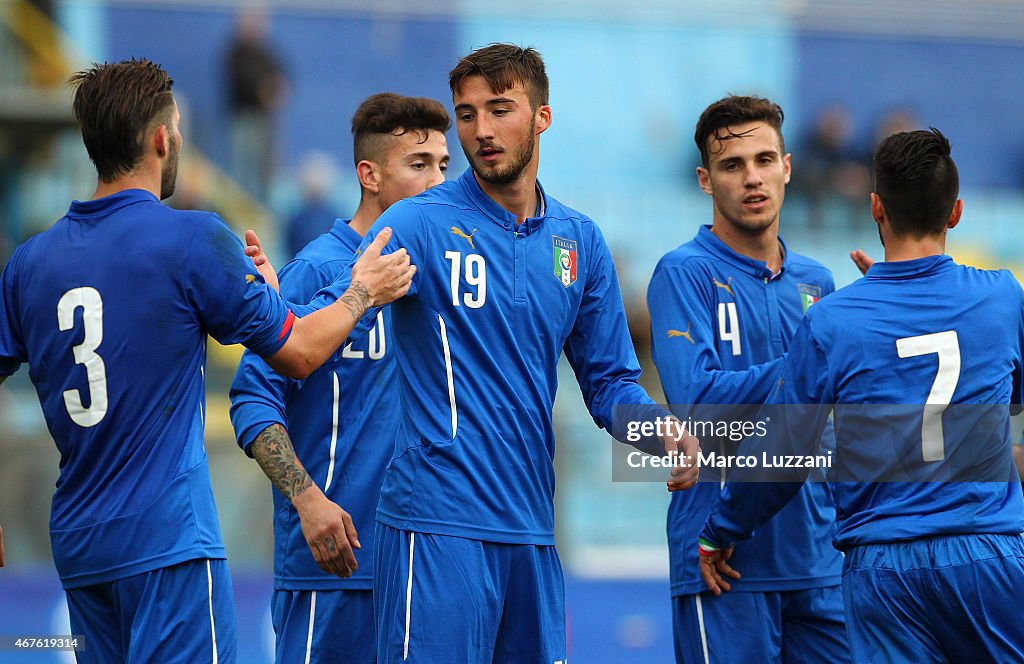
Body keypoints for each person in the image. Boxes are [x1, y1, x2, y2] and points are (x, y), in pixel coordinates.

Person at [275, 43, 699, 663]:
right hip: (436, 526)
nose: (481, 130)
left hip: (531, 529)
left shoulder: (578, 241)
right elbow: (319, 325)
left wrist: (658, 429)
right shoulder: (419, 222)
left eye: (500, 110)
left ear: (542, 118)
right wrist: (269, 308)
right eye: (467, 114)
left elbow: (609, 382)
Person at [0, 59, 413, 663]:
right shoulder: (190, 238)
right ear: (162, 138)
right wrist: (362, 291)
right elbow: (298, 355)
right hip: (167, 544)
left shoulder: (29, 263)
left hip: (80, 544)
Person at [699, 128, 1024, 662]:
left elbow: (784, 451)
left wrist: (721, 529)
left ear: (875, 208)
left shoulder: (834, 321)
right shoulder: (1002, 297)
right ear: (956, 212)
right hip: (986, 554)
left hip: (883, 567)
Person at [229, 92, 451, 663]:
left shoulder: (445, 278)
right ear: (369, 174)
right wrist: (308, 501)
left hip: (423, 573)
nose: (438, 182)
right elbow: (254, 399)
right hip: (335, 567)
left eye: (444, 166)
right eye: (419, 165)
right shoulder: (317, 271)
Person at [647, 95, 848, 663]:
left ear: (788, 166)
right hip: (725, 562)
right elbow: (699, 400)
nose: (752, 178)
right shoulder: (683, 272)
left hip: (819, 559)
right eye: (732, 166)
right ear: (705, 180)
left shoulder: (817, 280)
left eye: (764, 160)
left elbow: (829, 419)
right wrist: (810, 368)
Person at [224, 7, 287, 201]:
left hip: (262, 118)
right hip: (243, 117)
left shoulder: (265, 53)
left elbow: (280, 77)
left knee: (263, 166)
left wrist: (275, 90)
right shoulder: (236, 52)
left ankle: (261, 203)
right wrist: (260, 90)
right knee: (243, 166)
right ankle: (242, 202)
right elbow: (241, 80)